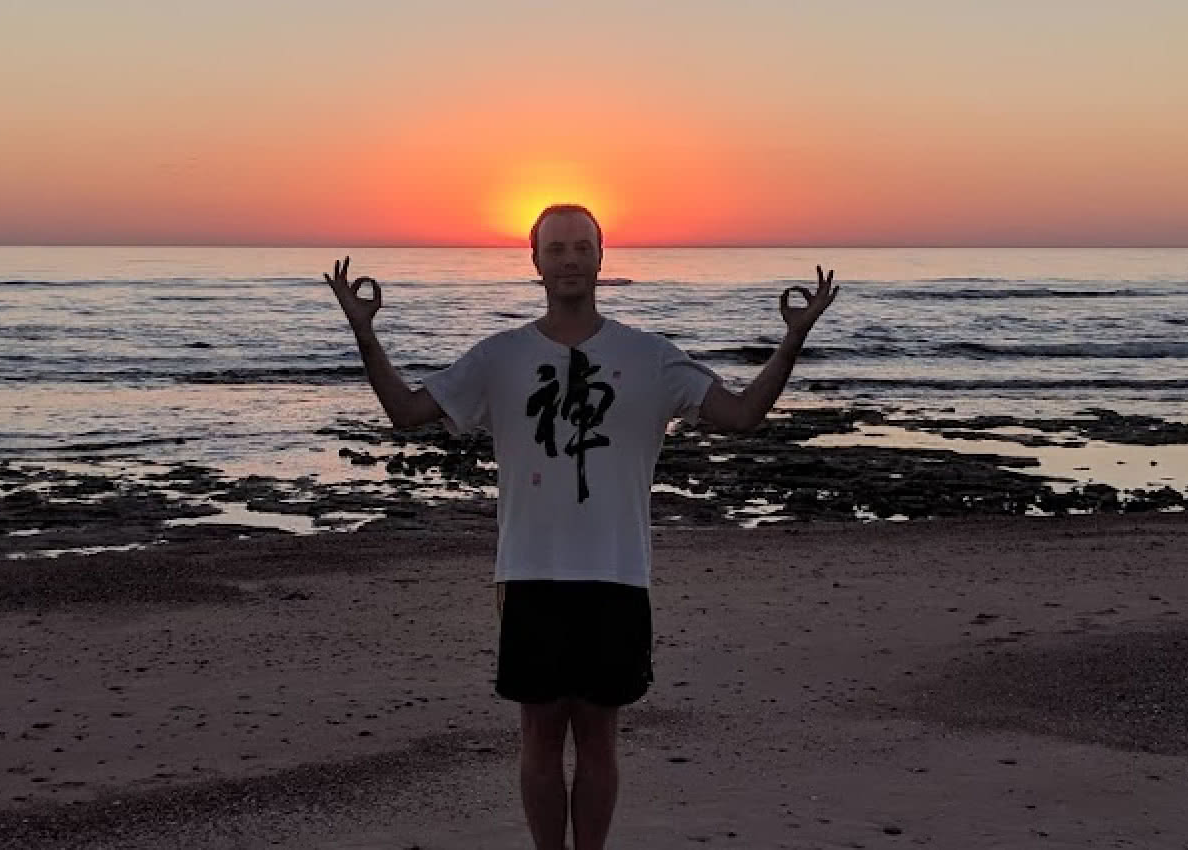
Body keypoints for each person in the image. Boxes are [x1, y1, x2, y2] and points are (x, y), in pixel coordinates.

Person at [325, 204, 838, 850]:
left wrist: (792, 340)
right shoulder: (498, 358)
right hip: (530, 575)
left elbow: (740, 416)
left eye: (581, 247)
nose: (569, 259)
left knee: (599, 739)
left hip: (617, 575)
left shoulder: (649, 358)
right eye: (556, 248)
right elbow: (405, 412)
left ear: (603, 255)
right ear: (534, 260)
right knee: (538, 739)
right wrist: (365, 334)